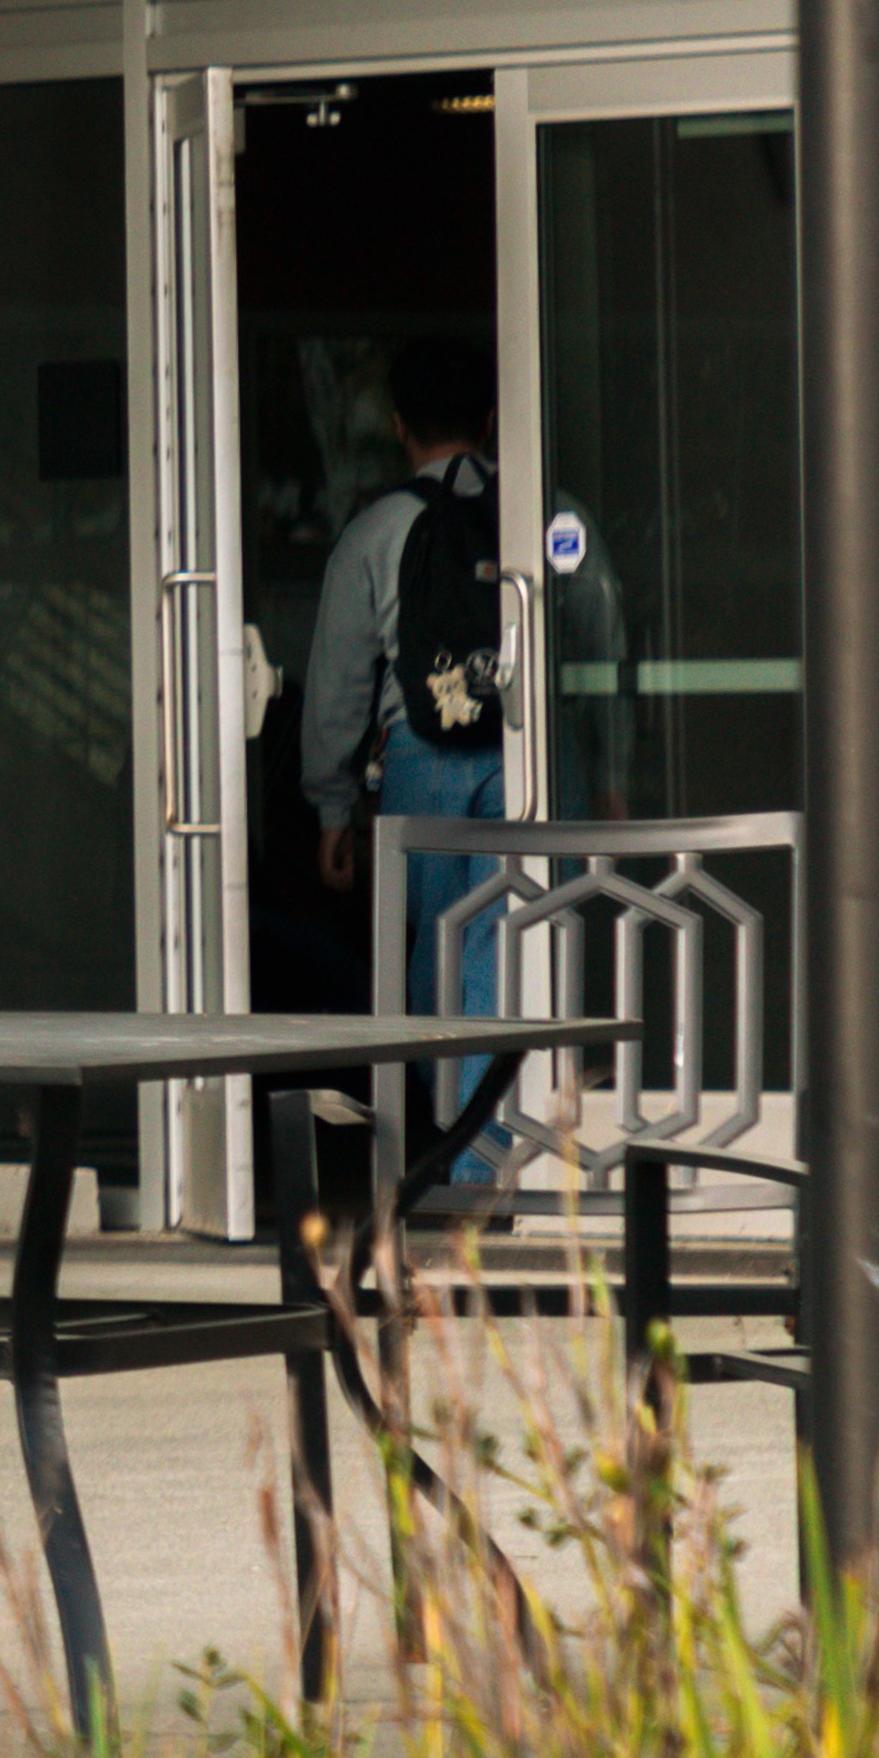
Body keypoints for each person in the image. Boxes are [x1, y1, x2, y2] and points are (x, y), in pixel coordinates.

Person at [298, 333, 515, 1167]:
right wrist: (601, 768)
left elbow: (339, 682)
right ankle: (485, 1151)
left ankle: (460, 1147)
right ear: (494, 419)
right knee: (501, 941)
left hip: (419, 760)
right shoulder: (541, 507)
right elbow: (596, 624)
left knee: (435, 953)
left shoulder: (377, 529)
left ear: (398, 426)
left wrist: (329, 805)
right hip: (519, 753)